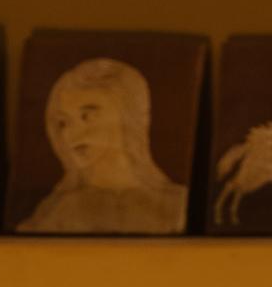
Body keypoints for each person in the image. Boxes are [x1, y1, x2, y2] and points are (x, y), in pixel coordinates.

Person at [18, 56, 188, 234]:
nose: (71, 134)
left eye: (87, 116)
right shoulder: (55, 212)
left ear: (128, 115)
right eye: (63, 122)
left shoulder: (177, 205)